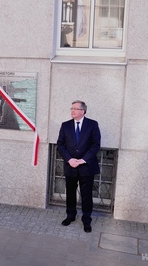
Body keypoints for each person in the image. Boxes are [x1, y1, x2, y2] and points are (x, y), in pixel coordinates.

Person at [57, 100, 101, 233]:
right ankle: (70, 215)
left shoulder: (92, 125)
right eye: (71, 108)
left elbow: (95, 144)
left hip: (86, 167)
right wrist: (69, 159)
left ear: (83, 111)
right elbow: (60, 144)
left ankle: (86, 220)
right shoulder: (65, 125)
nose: (72, 111)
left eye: (75, 109)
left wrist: (82, 160)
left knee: (86, 195)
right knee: (70, 193)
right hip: (70, 166)